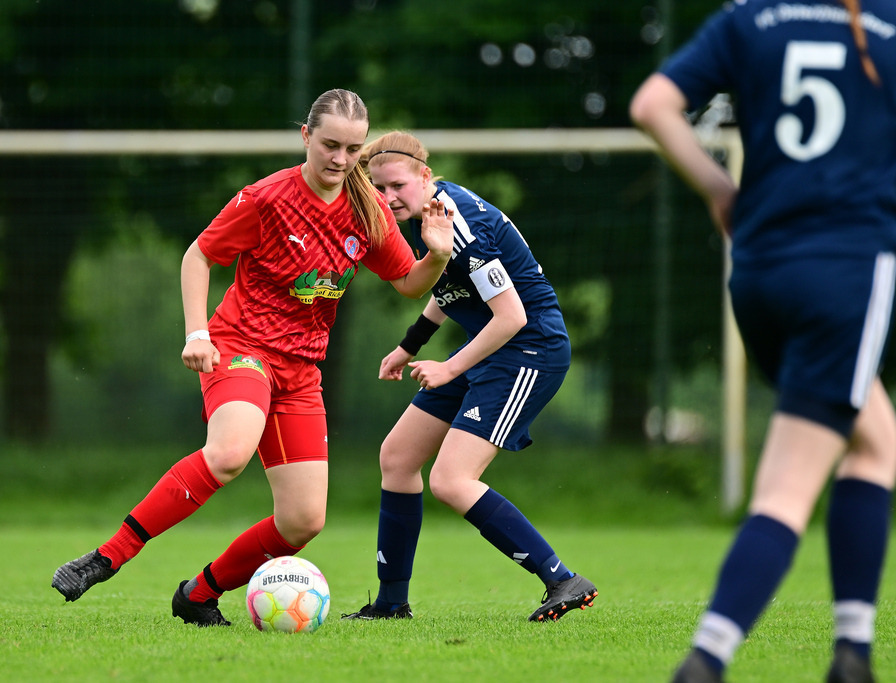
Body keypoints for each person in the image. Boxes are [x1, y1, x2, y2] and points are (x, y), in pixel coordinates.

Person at [51, 89, 454, 626]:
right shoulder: (265, 198)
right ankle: (107, 557)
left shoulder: (368, 209)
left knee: (303, 521)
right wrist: (198, 332)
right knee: (229, 453)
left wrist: (439, 254)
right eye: (330, 144)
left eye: (353, 149)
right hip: (243, 347)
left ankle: (198, 594)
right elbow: (199, 255)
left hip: (301, 369)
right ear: (306, 137)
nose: (340, 159)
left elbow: (407, 281)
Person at [630, 1, 896, 681]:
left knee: (875, 438)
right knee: (786, 488)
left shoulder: (750, 19)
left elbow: (652, 105)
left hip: (759, 271)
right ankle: (708, 657)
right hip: (845, 269)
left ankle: (854, 651)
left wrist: (721, 188)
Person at [340, 131, 597, 623]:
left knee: (452, 480)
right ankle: (391, 603)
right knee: (397, 457)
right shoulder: (427, 216)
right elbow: (450, 287)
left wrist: (449, 366)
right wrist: (409, 346)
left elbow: (511, 317)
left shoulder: (462, 225)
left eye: (397, 186)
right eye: (379, 189)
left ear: (424, 177)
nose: (388, 198)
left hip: (529, 351)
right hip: (490, 350)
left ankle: (563, 579)